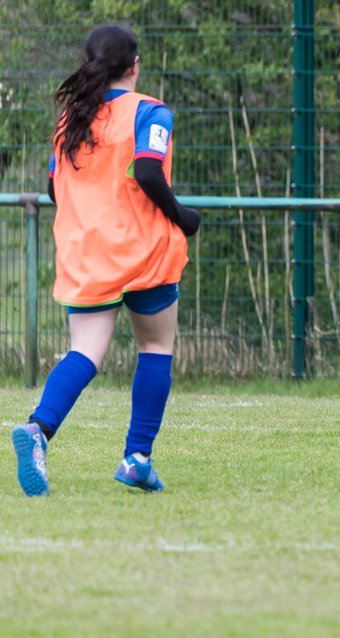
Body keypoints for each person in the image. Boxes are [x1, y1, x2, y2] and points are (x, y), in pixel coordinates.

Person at [11, 24, 200, 497]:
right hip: (144, 252)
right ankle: (137, 458)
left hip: (88, 254)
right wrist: (183, 216)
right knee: (155, 349)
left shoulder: (71, 120)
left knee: (85, 353)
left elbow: (56, 188)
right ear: (134, 65)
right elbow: (150, 170)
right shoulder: (151, 112)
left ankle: (38, 430)